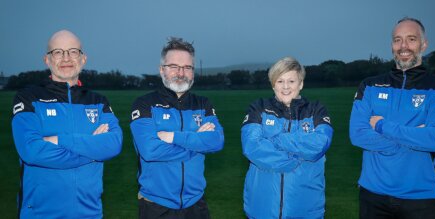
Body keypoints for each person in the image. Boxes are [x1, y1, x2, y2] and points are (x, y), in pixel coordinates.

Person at [349, 17, 435, 219]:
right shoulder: (370, 85)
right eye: (397, 40)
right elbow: (357, 135)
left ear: (424, 44)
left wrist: (382, 125)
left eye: (411, 39)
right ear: (392, 45)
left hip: (421, 199)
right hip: (373, 197)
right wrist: (413, 137)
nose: (403, 46)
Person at [11, 30, 123, 218]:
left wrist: (58, 140)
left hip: (90, 213)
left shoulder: (98, 101)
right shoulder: (28, 97)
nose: (66, 58)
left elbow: (114, 144)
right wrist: (92, 152)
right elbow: (31, 151)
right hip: (40, 213)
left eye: (72, 51)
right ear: (47, 60)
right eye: (58, 52)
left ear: (83, 58)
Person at [130, 37, 224, 219]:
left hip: (196, 205)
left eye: (187, 67)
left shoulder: (203, 104)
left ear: (193, 72)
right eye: (174, 66)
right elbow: (150, 150)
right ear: (161, 69)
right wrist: (197, 145)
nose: (181, 73)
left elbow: (217, 141)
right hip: (156, 206)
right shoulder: (144, 104)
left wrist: (173, 137)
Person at [241, 57, 334, 219]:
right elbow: (252, 146)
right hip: (262, 209)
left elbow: (319, 144)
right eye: (280, 81)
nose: (285, 87)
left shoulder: (316, 110)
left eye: (291, 81)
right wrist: (295, 156)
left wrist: (276, 139)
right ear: (273, 84)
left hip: (306, 210)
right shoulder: (258, 108)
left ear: (301, 84)